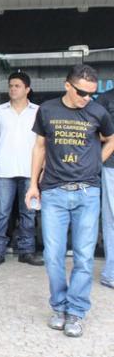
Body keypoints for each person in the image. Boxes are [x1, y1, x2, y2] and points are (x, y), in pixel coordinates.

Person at [25, 64, 114, 338]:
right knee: (53, 256)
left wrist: (94, 165)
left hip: (88, 193)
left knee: (84, 257)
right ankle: (59, 307)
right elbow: (39, 147)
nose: (87, 98)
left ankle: (75, 311)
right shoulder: (47, 110)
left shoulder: (98, 112)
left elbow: (110, 139)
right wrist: (32, 184)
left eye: (91, 93)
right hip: (53, 192)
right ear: (67, 85)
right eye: (81, 92)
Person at [0, 71, 43, 266]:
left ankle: (26, 251)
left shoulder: (38, 111)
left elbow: (42, 144)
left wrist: (42, 170)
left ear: (27, 89)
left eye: (17, 86)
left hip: (30, 170)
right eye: (11, 85)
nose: (12, 89)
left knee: (29, 212)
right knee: (2, 212)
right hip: (4, 169)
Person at [96, 88, 114, 289]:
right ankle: (111, 272)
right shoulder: (106, 98)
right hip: (112, 165)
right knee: (112, 220)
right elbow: (91, 128)